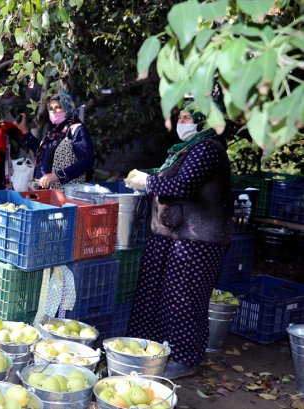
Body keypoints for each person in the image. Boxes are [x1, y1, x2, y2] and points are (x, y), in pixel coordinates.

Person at [124, 101, 232, 379]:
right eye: (180, 116)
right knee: (153, 294)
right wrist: (148, 177)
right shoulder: (184, 149)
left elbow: (183, 184)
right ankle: (150, 351)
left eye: (188, 117)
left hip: (198, 239)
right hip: (171, 234)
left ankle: (185, 358)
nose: (182, 122)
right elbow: (170, 178)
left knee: (182, 299)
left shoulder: (208, 149)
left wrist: (147, 183)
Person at [17, 92, 94, 190]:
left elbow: (87, 161)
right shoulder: (53, 132)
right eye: (51, 108)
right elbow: (43, 152)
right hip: (44, 191)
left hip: (66, 193)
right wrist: (24, 132)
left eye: (58, 107)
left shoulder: (77, 130)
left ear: (68, 108)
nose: (53, 111)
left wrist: (57, 175)